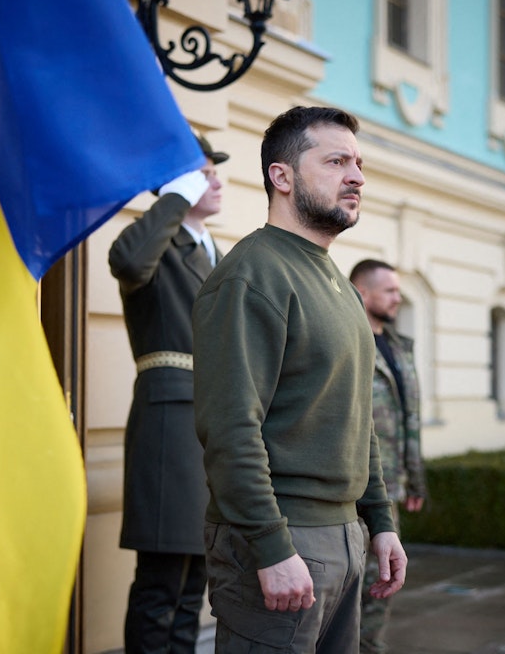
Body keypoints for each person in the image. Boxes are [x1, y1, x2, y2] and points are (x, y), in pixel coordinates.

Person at [192, 106, 407, 652]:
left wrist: (380, 521)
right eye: (336, 162)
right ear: (281, 176)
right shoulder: (252, 274)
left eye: (357, 163)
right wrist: (271, 546)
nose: (356, 177)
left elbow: (358, 419)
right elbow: (231, 429)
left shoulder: (339, 283)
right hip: (283, 540)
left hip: (346, 536)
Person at [109, 130, 229, 653]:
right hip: (171, 424)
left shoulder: (216, 251)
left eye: (213, 172)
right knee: (162, 582)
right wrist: (173, 197)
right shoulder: (157, 243)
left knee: (194, 582)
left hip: (215, 425)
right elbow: (129, 262)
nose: (216, 182)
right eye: (203, 173)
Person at [350, 259, 428, 653]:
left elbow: (410, 417)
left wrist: (416, 480)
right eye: (390, 291)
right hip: (355, 488)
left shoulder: (399, 347)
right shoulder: (349, 339)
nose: (398, 298)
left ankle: (370, 647)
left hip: (391, 487)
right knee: (353, 587)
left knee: (383, 583)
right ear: (362, 292)